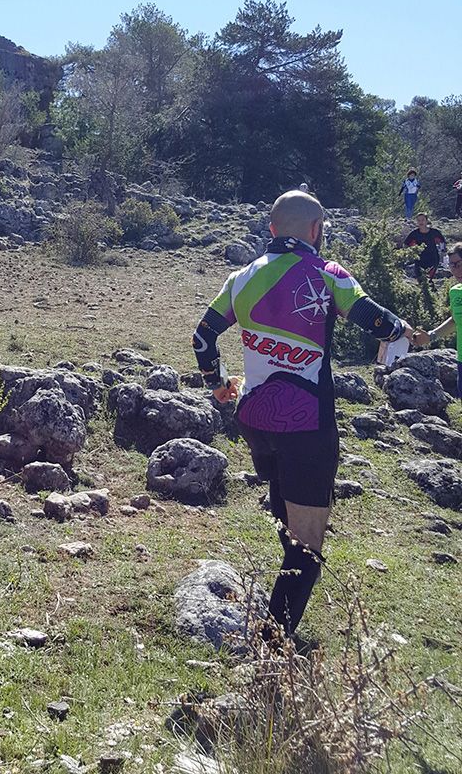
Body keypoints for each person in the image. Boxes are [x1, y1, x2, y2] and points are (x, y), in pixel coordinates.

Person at [192, 190, 415, 639]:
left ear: (272, 230)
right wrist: (406, 330)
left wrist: (218, 385)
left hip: (255, 418)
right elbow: (374, 319)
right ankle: (273, 650)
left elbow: (202, 337)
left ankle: (277, 625)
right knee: (307, 547)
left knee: (286, 512)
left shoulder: (240, 277)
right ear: (316, 231)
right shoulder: (328, 273)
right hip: (306, 421)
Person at [413, 242, 462, 395]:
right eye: (452, 265)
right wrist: (430, 336)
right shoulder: (455, 292)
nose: (456, 270)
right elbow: (455, 320)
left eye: (458, 264)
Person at [403, 212, 446, 281]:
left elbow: (442, 242)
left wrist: (443, 252)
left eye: (423, 220)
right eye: (418, 220)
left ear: (427, 220)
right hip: (420, 260)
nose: (421, 222)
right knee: (420, 280)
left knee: (429, 279)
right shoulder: (414, 234)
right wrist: (410, 253)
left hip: (433, 258)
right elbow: (406, 244)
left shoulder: (434, 232)